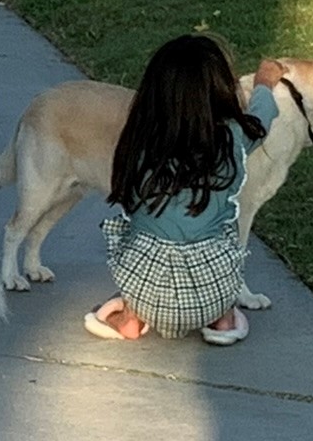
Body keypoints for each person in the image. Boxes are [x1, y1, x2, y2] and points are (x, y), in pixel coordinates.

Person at [84, 34, 286, 345]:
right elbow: (261, 118)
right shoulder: (233, 138)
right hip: (212, 292)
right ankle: (223, 319)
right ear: (220, 90)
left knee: (134, 229)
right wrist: (264, 83)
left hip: (144, 291)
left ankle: (129, 317)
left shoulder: (140, 138)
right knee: (224, 227)